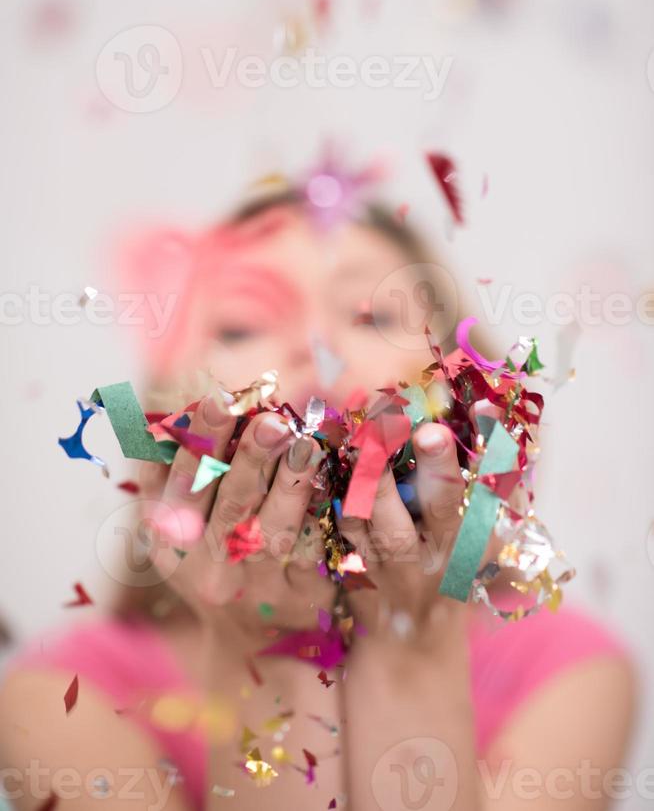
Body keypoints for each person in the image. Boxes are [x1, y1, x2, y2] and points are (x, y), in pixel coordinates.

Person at [0, 174, 637, 811]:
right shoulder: (59, 695)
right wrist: (266, 652)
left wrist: (411, 641)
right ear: (161, 421)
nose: (316, 349)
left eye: (370, 314)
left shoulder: (567, 671)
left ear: (466, 392)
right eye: (246, 323)